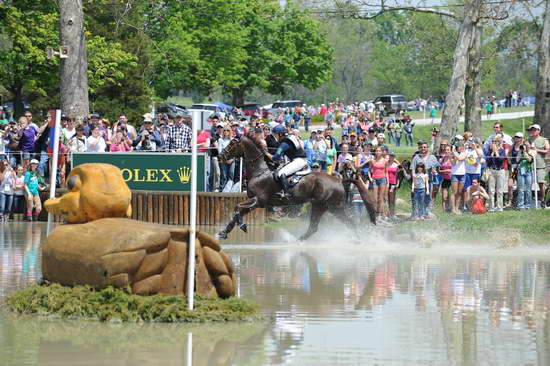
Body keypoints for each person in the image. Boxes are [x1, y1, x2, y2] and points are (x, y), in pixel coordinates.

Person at [269, 125, 307, 197]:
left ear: (280, 134)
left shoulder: (284, 144)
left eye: (275, 134)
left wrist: (265, 152)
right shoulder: (288, 139)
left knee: (280, 173)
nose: (275, 136)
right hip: (299, 160)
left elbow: (275, 158)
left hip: (298, 161)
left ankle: (287, 193)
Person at [527, 124, 549, 207]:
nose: (533, 131)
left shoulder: (544, 140)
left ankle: (543, 200)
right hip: (530, 165)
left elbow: (547, 150)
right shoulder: (529, 140)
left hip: (540, 164)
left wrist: (537, 150)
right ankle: (530, 200)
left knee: (541, 183)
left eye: (535, 130)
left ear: (539, 131)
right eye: (532, 130)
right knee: (529, 183)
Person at [485, 134, 507, 212]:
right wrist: (492, 153)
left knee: (500, 190)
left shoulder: (502, 150)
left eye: (496, 141)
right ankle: (491, 207)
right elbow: (487, 162)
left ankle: (499, 207)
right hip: (492, 171)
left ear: (499, 142)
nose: (494, 142)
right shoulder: (489, 151)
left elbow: (501, 160)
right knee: (491, 190)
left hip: (500, 171)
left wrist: (496, 152)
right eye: (493, 141)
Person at [515, 139, 534, 209]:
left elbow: (529, 160)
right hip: (521, 171)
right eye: (524, 145)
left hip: (528, 172)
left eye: (527, 145)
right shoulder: (521, 151)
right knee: (521, 189)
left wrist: (525, 151)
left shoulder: (532, 151)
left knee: (528, 189)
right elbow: (517, 160)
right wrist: (520, 151)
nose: (525, 146)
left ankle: (528, 205)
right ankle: (520, 205)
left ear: (530, 145)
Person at [369, 146, 387, 219]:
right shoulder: (372, 160)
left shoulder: (384, 160)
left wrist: (387, 180)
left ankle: (380, 214)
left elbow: (386, 171)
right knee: (375, 198)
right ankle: (375, 213)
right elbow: (369, 170)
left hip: (382, 179)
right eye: (376, 150)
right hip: (374, 179)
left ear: (382, 152)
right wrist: (370, 178)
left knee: (381, 197)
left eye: (379, 151)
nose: (378, 152)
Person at [450, 142, 467, 214]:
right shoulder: (452, 154)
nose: (460, 147)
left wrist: (454, 152)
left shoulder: (464, 153)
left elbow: (460, 158)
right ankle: (453, 209)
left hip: (462, 174)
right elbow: (453, 163)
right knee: (454, 192)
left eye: (461, 146)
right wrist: (454, 153)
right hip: (455, 174)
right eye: (458, 146)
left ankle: (457, 208)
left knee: (459, 192)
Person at [386, 152, 400, 218]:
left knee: (392, 198)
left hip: (393, 183)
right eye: (390, 156)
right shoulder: (386, 164)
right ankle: (388, 212)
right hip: (386, 182)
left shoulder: (396, 165)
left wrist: (398, 183)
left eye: (393, 156)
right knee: (387, 198)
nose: (391, 157)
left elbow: (399, 175)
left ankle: (393, 213)